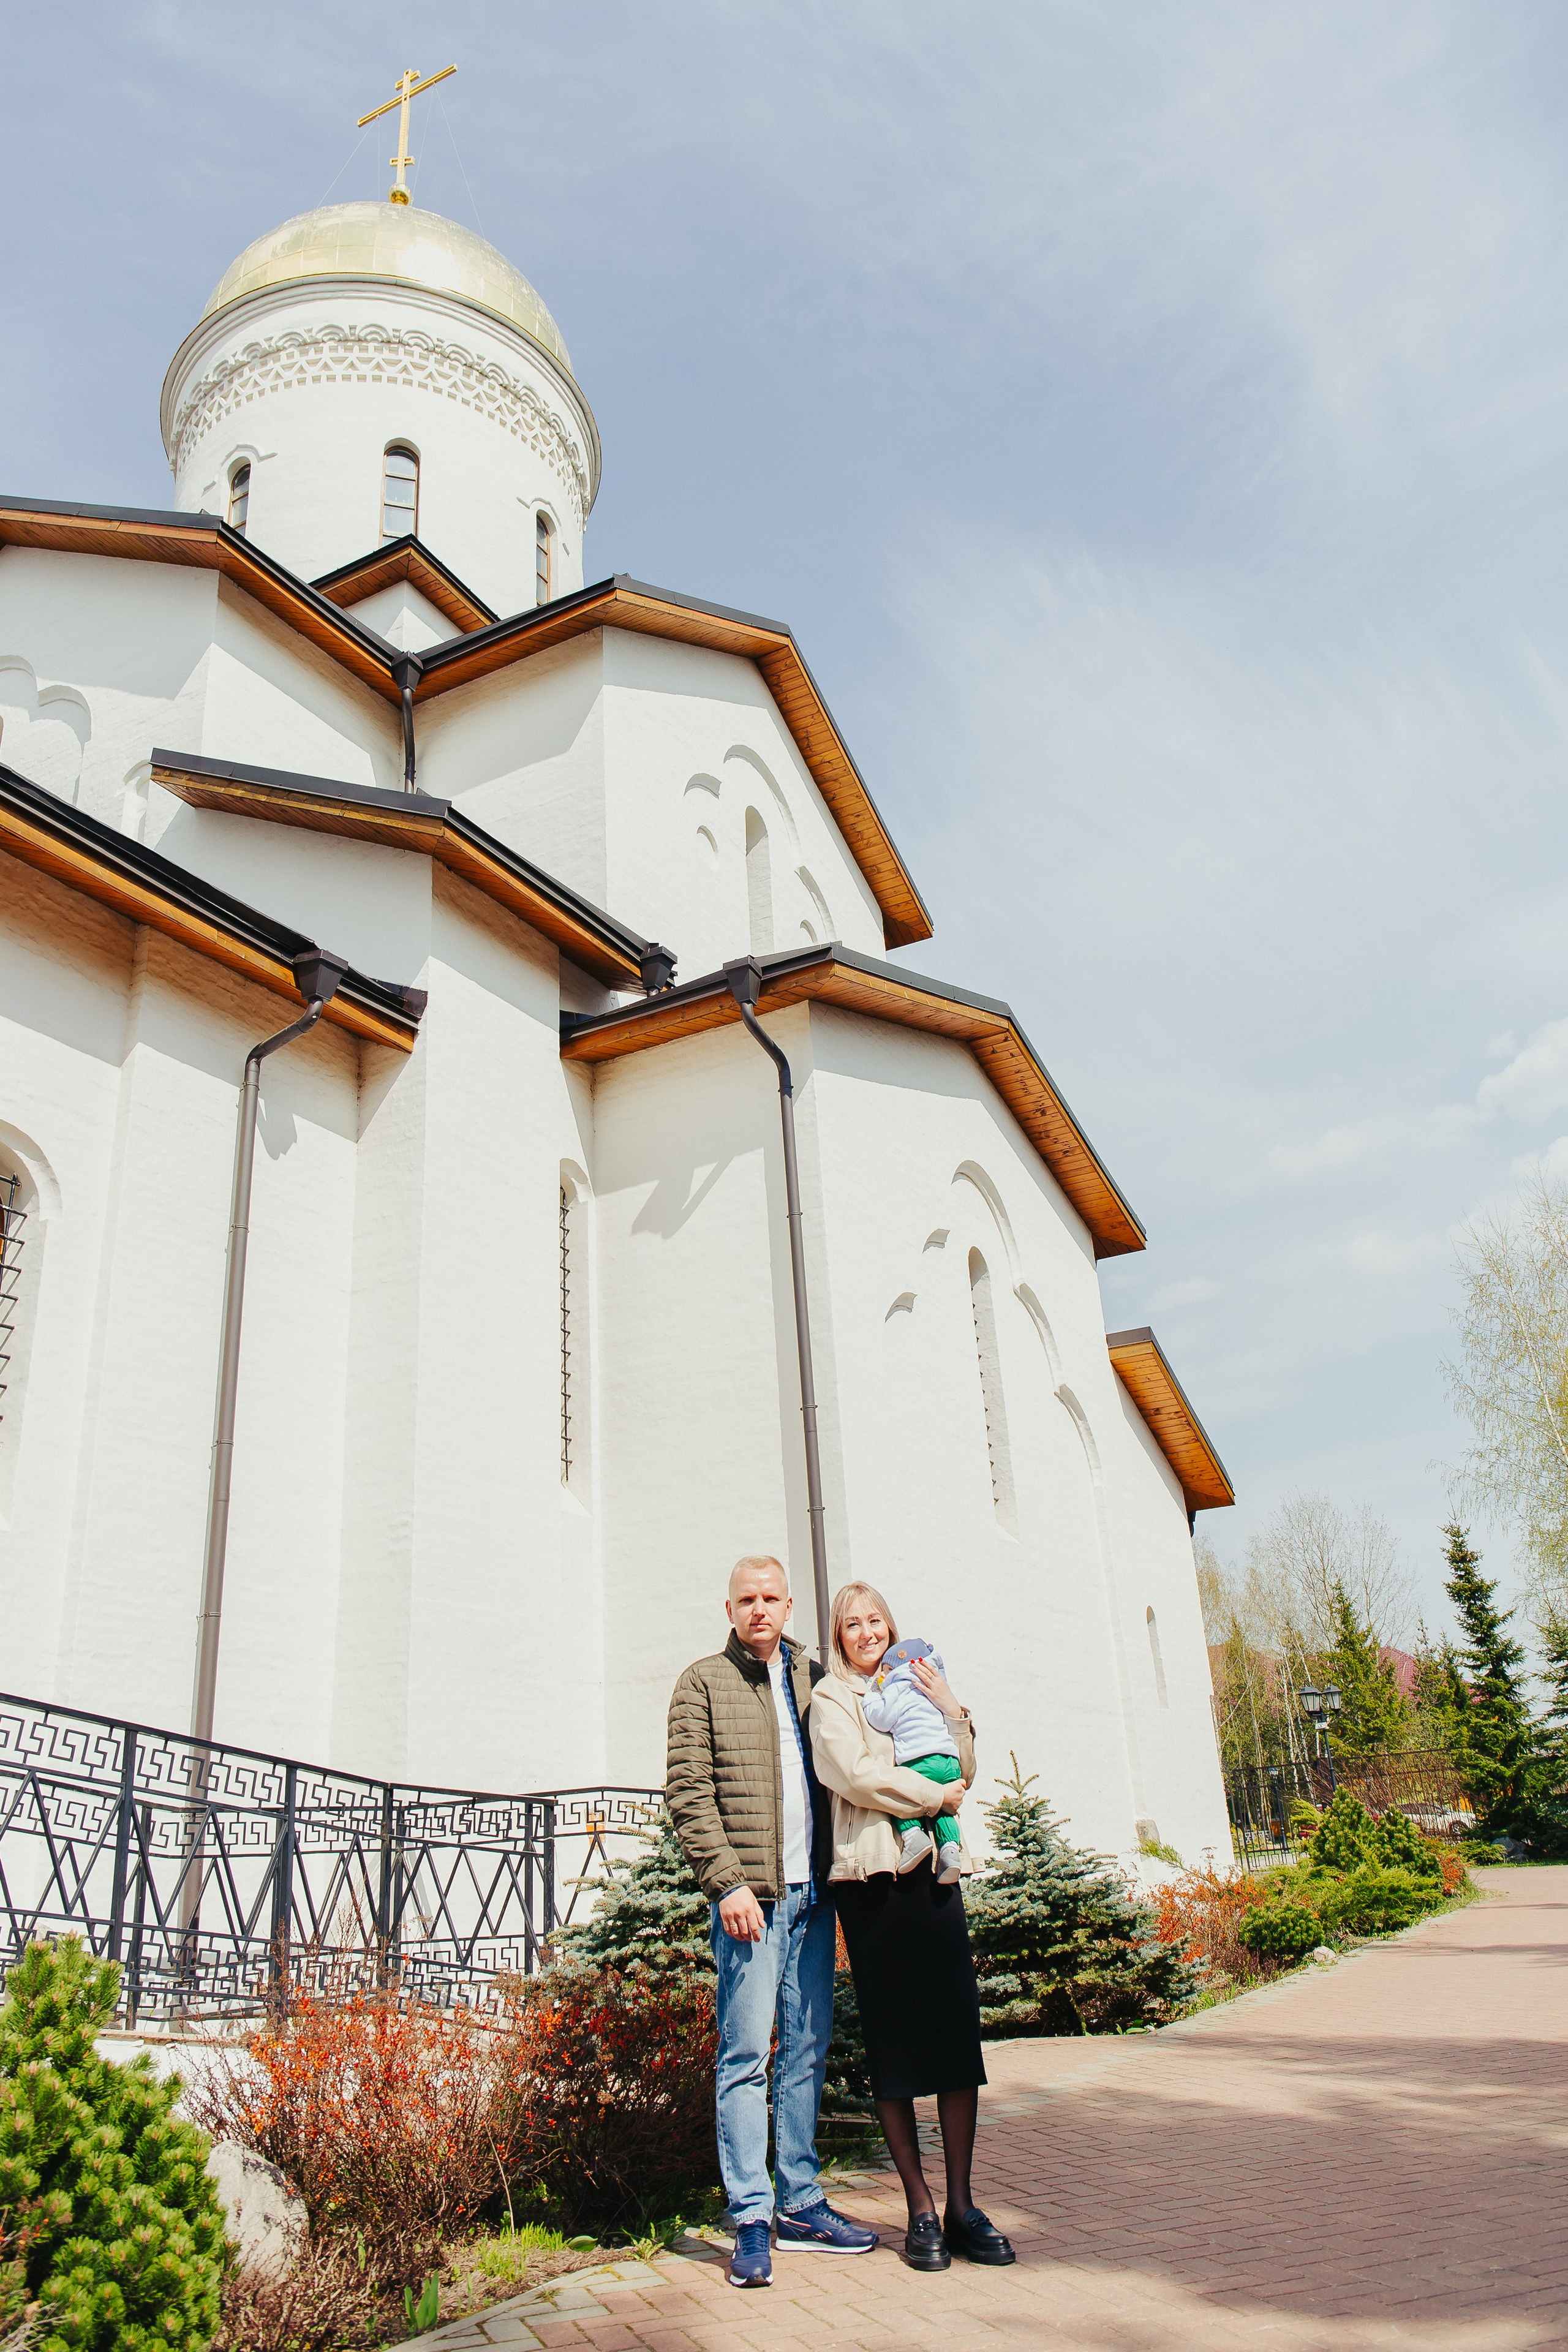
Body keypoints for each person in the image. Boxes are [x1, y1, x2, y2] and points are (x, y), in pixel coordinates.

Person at [665, 1555, 880, 2290]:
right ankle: (751, 2215)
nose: (759, 1610)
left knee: (806, 2051)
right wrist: (726, 1884)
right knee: (745, 2055)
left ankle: (800, 2201)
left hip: (814, 1896)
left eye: (770, 1599)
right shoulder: (703, 1682)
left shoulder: (813, 1678)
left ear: (789, 1606)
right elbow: (688, 1791)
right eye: (745, 1599)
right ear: (729, 1609)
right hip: (752, 1903)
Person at [809, 1581, 1017, 2274]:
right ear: (837, 1637)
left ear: (889, 1626)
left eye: (875, 1621)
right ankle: (919, 2207)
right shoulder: (832, 1699)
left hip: (935, 1877)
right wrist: (932, 1796)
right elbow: (855, 1775)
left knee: (956, 2037)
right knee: (895, 2049)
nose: (866, 1633)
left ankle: (961, 2205)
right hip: (871, 1884)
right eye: (852, 1624)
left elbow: (962, 1764)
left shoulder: (916, 1676)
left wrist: (955, 1711)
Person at [861, 1636, 966, 1879]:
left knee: (902, 1800)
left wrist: (871, 1698)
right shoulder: (935, 1685)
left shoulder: (899, 1686)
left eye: (885, 1671)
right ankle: (950, 1851)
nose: (882, 1677)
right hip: (949, 1761)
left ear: (896, 1670)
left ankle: (914, 1838)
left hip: (919, 1761)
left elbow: (882, 1718)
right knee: (943, 1811)